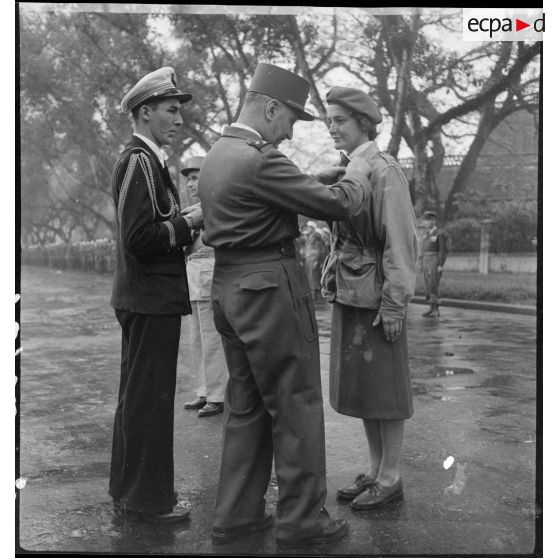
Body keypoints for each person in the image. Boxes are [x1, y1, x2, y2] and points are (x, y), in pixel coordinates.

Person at [198, 62, 372, 548]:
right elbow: (340, 205)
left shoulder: (219, 153)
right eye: (291, 119)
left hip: (229, 287)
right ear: (269, 106)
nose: (291, 131)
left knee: (247, 406)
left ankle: (236, 515)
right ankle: (302, 521)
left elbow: (262, 193)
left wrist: (309, 177)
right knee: (295, 404)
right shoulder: (261, 158)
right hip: (270, 287)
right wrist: (358, 166)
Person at [109, 67, 204, 523]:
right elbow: (138, 237)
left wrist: (183, 219)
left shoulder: (147, 160)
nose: (179, 120)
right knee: (149, 401)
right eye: (171, 110)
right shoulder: (137, 161)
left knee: (138, 398)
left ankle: (129, 492)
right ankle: (147, 503)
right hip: (149, 299)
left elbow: (152, 223)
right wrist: (191, 223)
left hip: (146, 298)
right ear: (145, 113)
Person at [321, 86, 418, 511]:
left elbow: (401, 242)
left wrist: (395, 303)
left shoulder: (384, 170)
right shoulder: (352, 168)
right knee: (364, 389)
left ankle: (391, 477)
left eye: (339, 120)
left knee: (386, 391)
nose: (331, 127)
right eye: (329, 120)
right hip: (351, 290)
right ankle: (377, 471)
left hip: (377, 294)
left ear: (363, 123)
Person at [180, 156, 227, 417]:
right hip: (194, 274)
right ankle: (204, 390)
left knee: (211, 338)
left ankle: (218, 395)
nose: (190, 183)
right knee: (196, 337)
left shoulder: (216, 207)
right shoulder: (193, 210)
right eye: (188, 179)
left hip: (210, 271)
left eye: (195, 177)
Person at [420, 210, 449, 318]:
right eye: (424, 221)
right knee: (428, 285)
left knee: (434, 284)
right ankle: (431, 307)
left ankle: (436, 309)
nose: (425, 223)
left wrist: (440, 265)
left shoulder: (440, 233)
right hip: (426, 260)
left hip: (434, 259)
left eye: (427, 221)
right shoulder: (426, 234)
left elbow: (443, 251)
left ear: (433, 221)